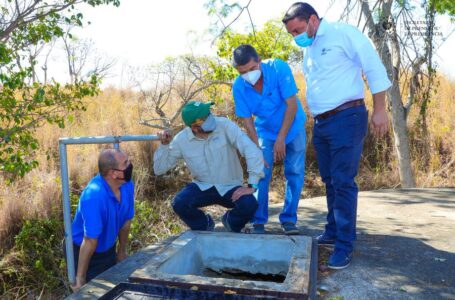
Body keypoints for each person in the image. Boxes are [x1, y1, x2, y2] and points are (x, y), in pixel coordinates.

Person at [283, 2, 391, 269]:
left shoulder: (344, 33)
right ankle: (332, 231)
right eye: (291, 34)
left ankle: (344, 245)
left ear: (312, 20)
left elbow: (374, 67)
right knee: (330, 180)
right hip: (322, 124)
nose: (296, 37)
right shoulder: (310, 48)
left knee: (343, 181)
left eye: (297, 30)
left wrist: (380, 110)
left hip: (347, 117)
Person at [153, 100, 264, 233]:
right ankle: (204, 225)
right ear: (194, 127)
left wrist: (252, 185)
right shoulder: (181, 140)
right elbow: (159, 169)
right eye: (205, 118)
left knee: (249, 204)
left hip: (230, 186)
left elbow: (250, 149)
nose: (211, 118)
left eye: (209, 113)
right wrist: (164, 146)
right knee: (180, 203)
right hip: (202, 186)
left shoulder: (225, 125)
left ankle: (231, 222)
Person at [231, 44, 307, 235]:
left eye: (252, 69)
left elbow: (291, 105)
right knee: (261, 172)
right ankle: (258, 221)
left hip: (293, 127)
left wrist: (281, 138)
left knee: (295, 173)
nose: (249, 74)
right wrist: (256, 149)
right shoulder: (239, 86)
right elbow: (247, 120)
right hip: (265, 132)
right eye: (243, 72)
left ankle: (289, 219)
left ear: (259, 60)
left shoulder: (278, 68)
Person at [69, 149, 134, 290]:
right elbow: (90, 241)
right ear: (113, 173)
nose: (130, 165)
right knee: (91, 292)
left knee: (113, 289)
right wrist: (80, 278)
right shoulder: (94, 196)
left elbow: (126, 221)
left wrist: (121, 252)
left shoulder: (127, 184)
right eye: (125, 163)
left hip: (107, 248)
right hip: (85, 252)